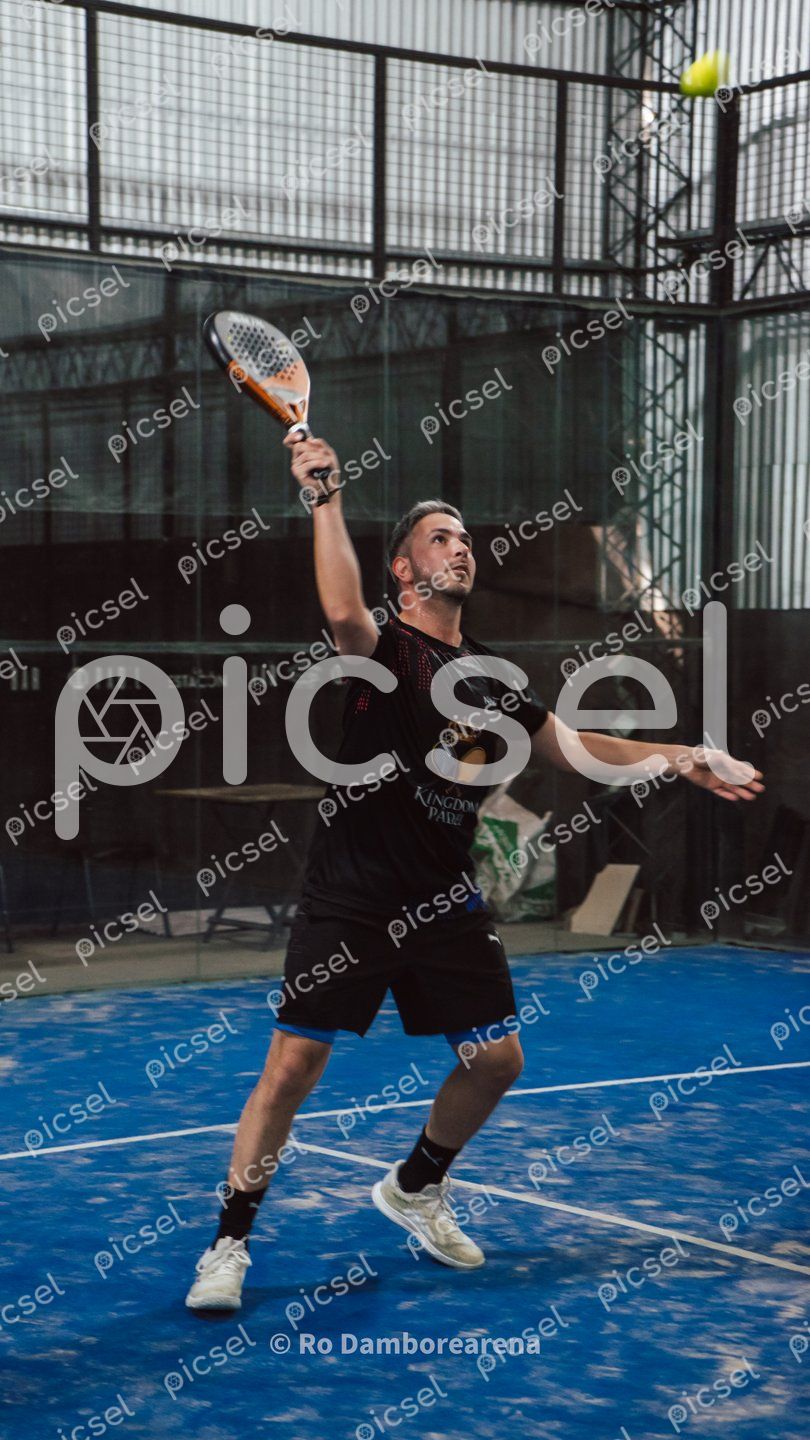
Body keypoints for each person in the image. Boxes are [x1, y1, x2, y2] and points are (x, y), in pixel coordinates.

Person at [186, 435, 763, 1310]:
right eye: (440, 537)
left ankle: (416, 1187)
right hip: (352, 893)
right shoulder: (383, 649)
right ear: (404, 570)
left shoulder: (491, 677)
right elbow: (341, 610)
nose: (461, 547)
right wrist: (324, 496)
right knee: (295, 1064)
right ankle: (229, 1245)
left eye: (465, 537)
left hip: (442, 896)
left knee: (496, 1060)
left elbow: (575, 746)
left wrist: (681, 756)